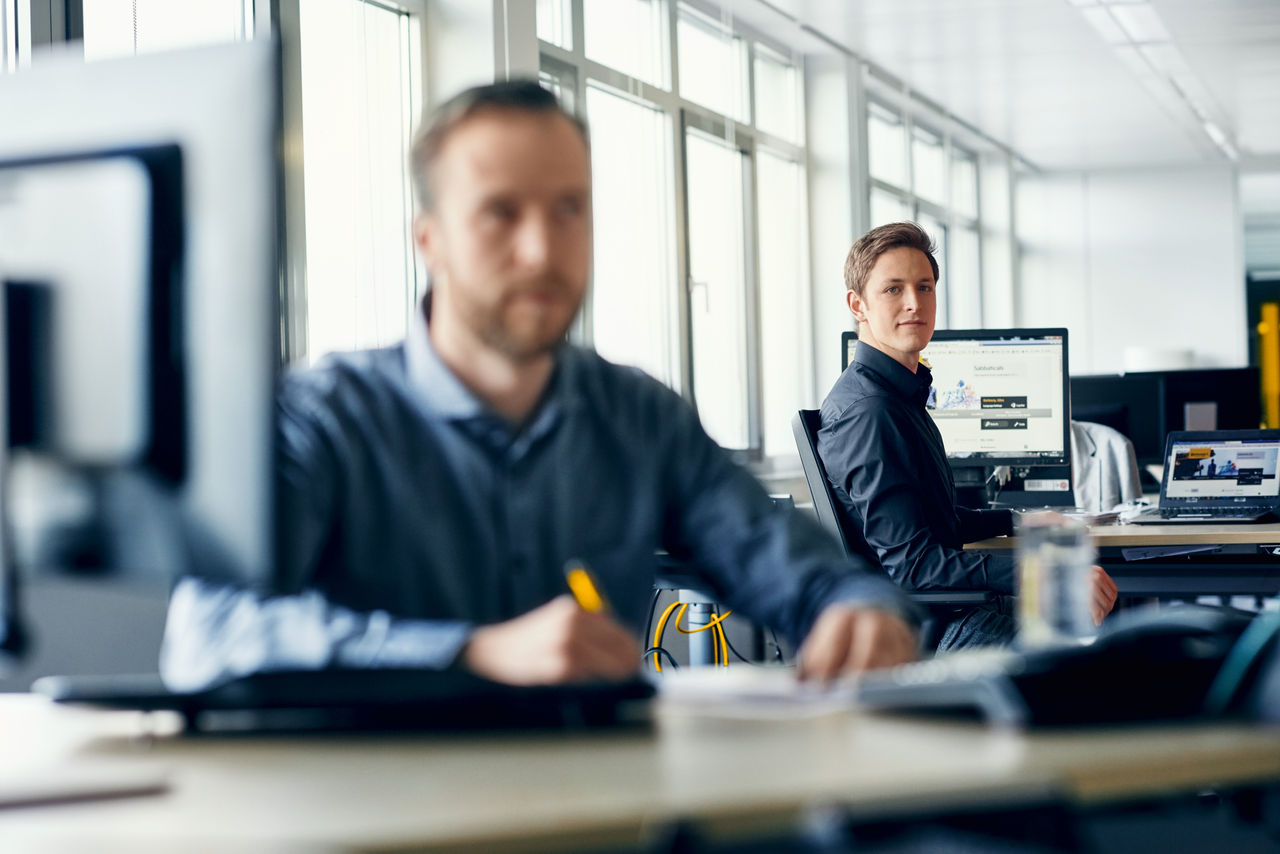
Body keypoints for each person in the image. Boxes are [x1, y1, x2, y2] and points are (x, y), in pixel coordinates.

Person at [159, 80, 919, 691]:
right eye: (500, 214)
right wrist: (468, 653)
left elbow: (790, 566)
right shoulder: (324, 418)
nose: (541, 251)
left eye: (569, 210)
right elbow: (210, 633)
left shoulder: (639, 417)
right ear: (430, 240)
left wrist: (854, 607)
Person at [815, 222, 1117, 650]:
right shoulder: (871, 413)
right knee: (1110, 663)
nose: (913, 303)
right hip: (935, 632)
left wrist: (1020, 521)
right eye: (892, 290)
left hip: (946, 615)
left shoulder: (895, 396)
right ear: (857, 305)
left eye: (924, 288)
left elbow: (935, 525)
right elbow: (915, 566)